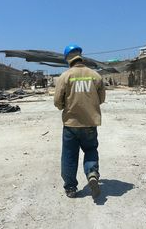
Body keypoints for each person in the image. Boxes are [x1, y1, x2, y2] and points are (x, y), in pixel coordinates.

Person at [54, 44, 106, 198]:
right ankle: (92, 174)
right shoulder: (95, 76)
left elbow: (57, 102)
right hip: (90, 123)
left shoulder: (65, 76)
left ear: (67, 59)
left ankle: (71, 188)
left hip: (71, 124)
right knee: (90, 150)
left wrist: (66, 105)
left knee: (69, 156)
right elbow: (101, 99)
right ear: (80, 56)